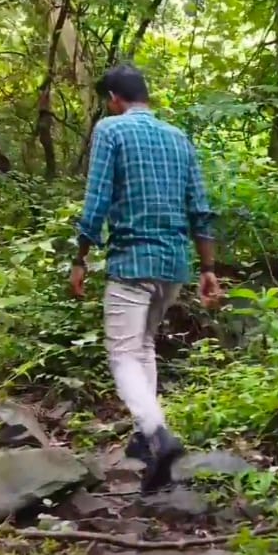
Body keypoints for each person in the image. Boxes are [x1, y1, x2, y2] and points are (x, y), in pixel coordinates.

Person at [70, 64, 224, 492]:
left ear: (115, 99)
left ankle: (157, 433)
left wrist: (80, 256)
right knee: (142, 345)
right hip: (174, 265)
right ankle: (145, 440)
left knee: (121, 354)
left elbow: (97, 197)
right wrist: (208, 268)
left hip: (133, 263)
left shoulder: (111, 131)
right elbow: (200, 206)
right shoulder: (178, 138)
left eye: (108, 100)